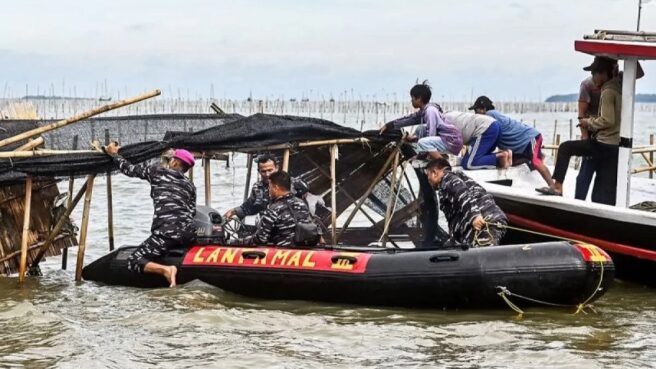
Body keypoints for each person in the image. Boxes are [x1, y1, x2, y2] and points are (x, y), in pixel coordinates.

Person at [104, 143, 197, 287]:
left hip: (166, 233)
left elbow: (130, 169)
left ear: (175, 162)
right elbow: (192, 212)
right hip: (188, 235)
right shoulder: (190, 185)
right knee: (169, 242)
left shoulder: (157, 172)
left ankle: (166, 269)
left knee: (134, 260)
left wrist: (114, 154)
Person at [540, 56, 622, 205]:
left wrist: (587, 122)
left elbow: (607, 120)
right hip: (615, 145)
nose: (593, 78)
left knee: (565, 148)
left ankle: (557, 187)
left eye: (594, 73)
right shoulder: (619, 84)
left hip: (603, 143)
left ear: (603, 73)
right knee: (602, 190)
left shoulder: (608, 90)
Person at [576, 57, 644, 201]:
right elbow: (581, 115)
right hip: (593, 134)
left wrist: (630, 55)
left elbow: (638, 73)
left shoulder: (618, 80)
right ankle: (578, 203)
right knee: (585, 173)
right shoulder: (587, 85)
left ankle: (600, 204)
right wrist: (585, 137)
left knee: (605, 177)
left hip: (610, 138)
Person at [470, 96, 554, 187]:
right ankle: (533, 157)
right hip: (521, 145)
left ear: (484, 109)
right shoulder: (492, 115)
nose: (475, 114)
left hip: (529, 138)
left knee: (535, 161)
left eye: (476, 110)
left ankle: (553, 186)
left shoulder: (489, 115)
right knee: (512, 162)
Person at [425, 158, 507, 246]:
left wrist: (474, 216)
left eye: (428, 175)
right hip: (480, 225)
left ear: (435, 173)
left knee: (482, 255)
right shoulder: (451, 180)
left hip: (485, 222)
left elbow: (462, 193)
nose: (428, 179)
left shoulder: (447, 178)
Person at [380, 82, 463, 159]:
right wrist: (389, 125)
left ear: (419, 98)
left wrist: (421, 154)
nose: (411, 100)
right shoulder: (424, 111)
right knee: (420, 129)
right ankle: (430, 153)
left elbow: (431, 134)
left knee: (423, 142)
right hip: (445, 139)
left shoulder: (430, 111)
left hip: (452, 142)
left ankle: (442, 164)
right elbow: (409, 119)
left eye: (412, 98)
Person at [235, 171, 318, 247]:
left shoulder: (273, 209)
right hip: (304, 250)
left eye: (270, 187)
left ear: (276, 188)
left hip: (283, 253)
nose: (268, 190)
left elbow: (260, 239)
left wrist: (238, 242)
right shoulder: (302, 203)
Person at [223, 153, 309, 220]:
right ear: (259, 171)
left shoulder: (292, 183)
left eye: (270, 170)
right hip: (267, 228)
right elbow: (249, 207)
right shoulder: (257, 188)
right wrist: (233, 211)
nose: (267, 174)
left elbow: (305, 195)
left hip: (291, 229)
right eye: (263, 171)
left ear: (277, 168)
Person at [444, 111, 511, 169]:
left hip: (485, 129)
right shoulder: (447, 115)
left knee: (468, 164)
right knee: (473, 158)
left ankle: (500, 157)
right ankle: (505, 154)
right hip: (495, 125)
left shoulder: (440, 122)